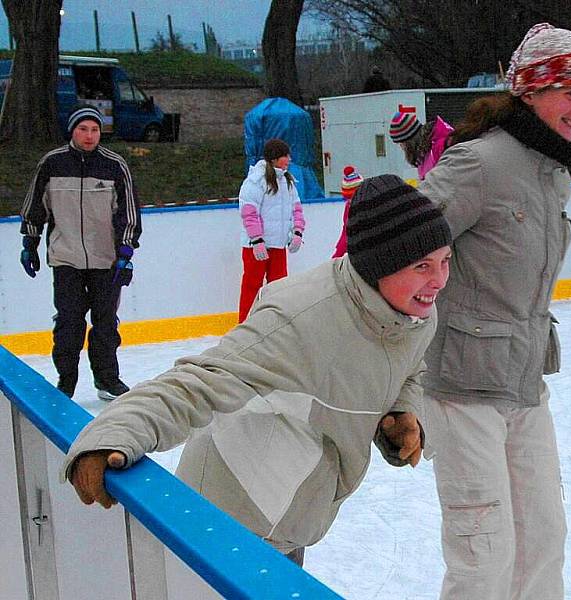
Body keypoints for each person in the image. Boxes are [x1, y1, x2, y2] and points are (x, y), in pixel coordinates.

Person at [61, 174, 453, 569]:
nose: (438, 281)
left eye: (445, 261)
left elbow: (410, 367)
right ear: (378, 265)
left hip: (297, 511)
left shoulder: (417, 313)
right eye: (422, 266)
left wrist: (404, 411)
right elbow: (198, 383)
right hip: (229, 520)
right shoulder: (299, 321)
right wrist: (112, 433)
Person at [417, 23, 571, 600]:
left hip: (523, 383)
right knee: (484, 555)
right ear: (531, 89)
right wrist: (390, 375)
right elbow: (392, 251)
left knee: (545, 538)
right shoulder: (481, 162)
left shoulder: (551, 171)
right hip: (461, 389)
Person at [19, 105, 141, 401]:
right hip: (66, 257)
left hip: (106, 258)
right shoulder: (52, 163)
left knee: (105, 322)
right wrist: (30, 244)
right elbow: (36, 206)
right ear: (72, 131)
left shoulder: (114, 165)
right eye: (83, 129)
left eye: (95, 130)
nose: (89, 136)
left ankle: (107, 379)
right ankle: (67, 380)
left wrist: (125, 252)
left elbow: (129, 213)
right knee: (69, 322)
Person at [237, 138, 306, 323]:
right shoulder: (255, 181)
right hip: (256, 247)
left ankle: (277, 324)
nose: (289, 159)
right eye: (285, 156)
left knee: (279, 287)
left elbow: (296, 209)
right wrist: (257, 240)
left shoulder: (287, 181)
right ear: (275, 158)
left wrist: (297, 232)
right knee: (252, 285)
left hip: (278, 244)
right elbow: (249, 212)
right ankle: (245, 323)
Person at [389, 111, 454, 181]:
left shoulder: (439, 147)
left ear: (410, 141)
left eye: (402, 143)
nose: (401, 147)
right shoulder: (424, 152)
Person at [331, 165, 364, 258]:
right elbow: (346, 229)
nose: (349, 202)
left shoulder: (363, 207)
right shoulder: (349, 207)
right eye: (348, 199)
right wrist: (339, 250)